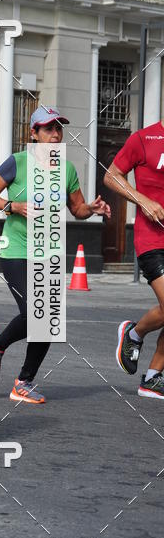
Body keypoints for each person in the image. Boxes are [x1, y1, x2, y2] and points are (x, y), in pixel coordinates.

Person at [0, 106, 110, 403]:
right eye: (48, 128)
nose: (55, 134)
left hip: (48, 252)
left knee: (48, 320)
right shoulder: (17, 162)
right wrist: (14, 206)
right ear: (34, 134)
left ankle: (23, 383)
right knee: (33, 312)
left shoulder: (67, 170)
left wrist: (92, 208)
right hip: (16, 250)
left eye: (58, 128)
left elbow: (77, 209)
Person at [104, 120, 164, 398]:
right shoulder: (144, 138)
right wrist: (143, 200)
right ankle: (134, 334)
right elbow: (112, 176)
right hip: (152, 240)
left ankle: (152, 378)